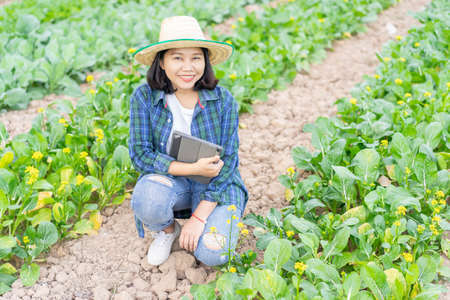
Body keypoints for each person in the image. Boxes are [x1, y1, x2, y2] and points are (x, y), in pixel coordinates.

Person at [128, 16, 248, 267]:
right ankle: (167, 231)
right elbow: (140, 154)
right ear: (161, 61)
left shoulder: (223, 100)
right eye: (177, 57)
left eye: (196, 58)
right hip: (173, 181)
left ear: (205, 60)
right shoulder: (144, 97)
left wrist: (199, 217)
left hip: (216, 186)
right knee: (147, 197)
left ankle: (206, 218)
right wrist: (192, 169)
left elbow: (229, 162)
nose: (188, 67)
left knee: (213, 255)